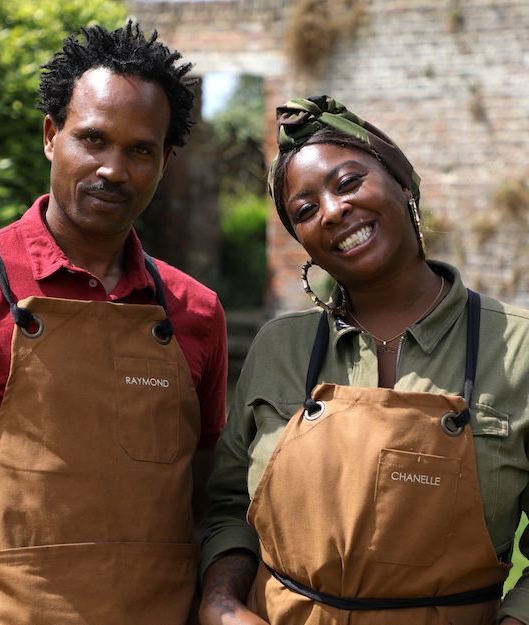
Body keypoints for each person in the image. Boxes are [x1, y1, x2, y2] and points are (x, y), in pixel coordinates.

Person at [0, 22, 228, 625]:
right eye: (93, 139)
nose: (114, 169)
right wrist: (18, 561)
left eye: (140, 150)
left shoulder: (196, 311)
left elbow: (202, 498)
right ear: (51, 136)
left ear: (164, 161)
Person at [198, 95, 529, 625]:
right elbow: (228, 509)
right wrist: (220, 603)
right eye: (305, 211)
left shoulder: (516, 349)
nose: (332, 211)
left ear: (403, 183)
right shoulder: (278, 349)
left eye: (348, 182)